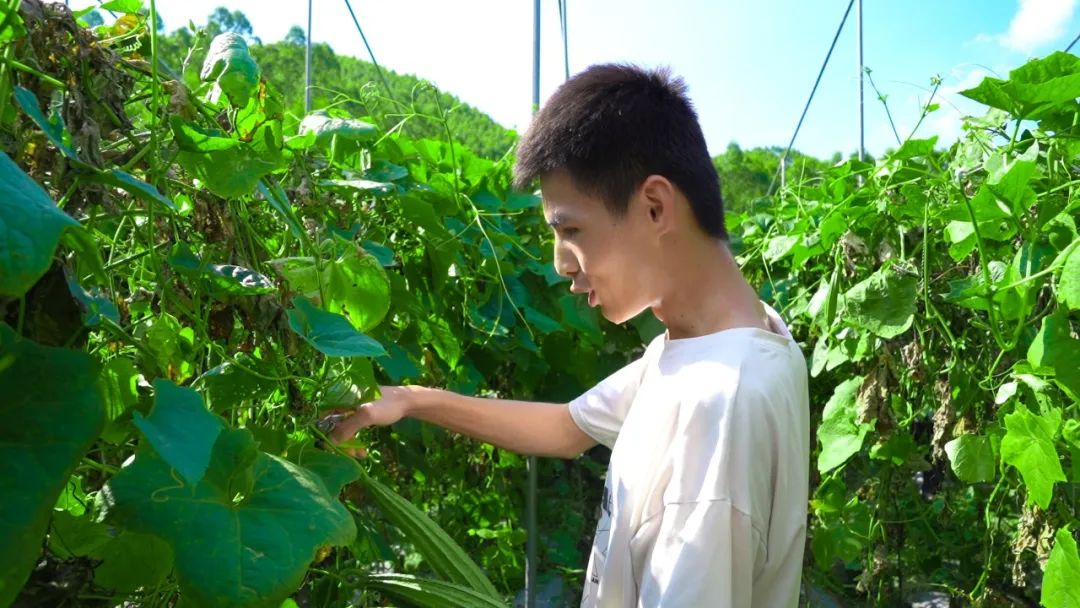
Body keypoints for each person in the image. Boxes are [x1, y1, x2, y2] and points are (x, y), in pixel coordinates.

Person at [329, 63, 810, 607]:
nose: (560, 263)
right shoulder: (724, 343)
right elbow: (565, 427)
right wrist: (411, 400)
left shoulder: (719, 406)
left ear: (655, 207)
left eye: (571, 229)